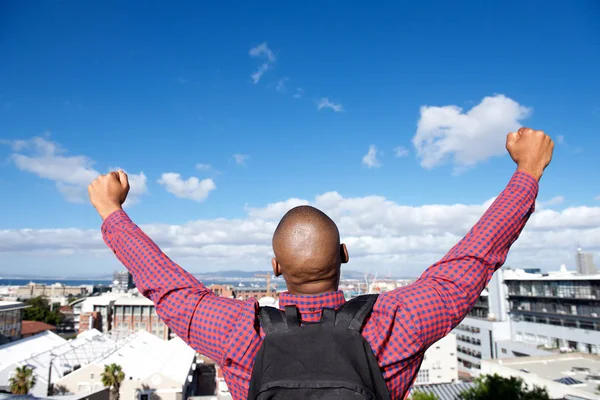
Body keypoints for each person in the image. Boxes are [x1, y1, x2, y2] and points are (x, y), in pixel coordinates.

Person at [88, 127, 553, 399]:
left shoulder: (238, 330)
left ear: (274, 266)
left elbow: (168, 288)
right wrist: (526, 174)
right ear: (345, 256)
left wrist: (113, 213)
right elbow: (470, 263)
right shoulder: (395, 323)